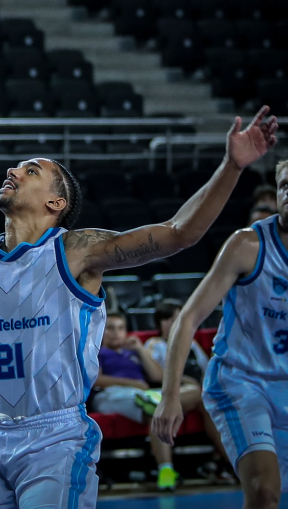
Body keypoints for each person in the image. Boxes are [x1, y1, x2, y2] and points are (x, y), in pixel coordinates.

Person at [0, 107, 277, 508]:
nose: (13, 171)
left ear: (56, 202)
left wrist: (231, 166)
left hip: (52, 439)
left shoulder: (77, 251)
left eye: (31, 171)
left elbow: (179, 233)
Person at [153, 158, 288, 509]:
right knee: (264, 492)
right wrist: (169, 395)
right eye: (284, 186)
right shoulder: (247, 245)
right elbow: (188, 318)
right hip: (243, 380)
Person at [94, 310, 228, 490]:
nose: (116, 333)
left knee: (197, 394)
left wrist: (140, 350)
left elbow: (157, 376)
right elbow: (95, 379)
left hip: (144, 393)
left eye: (120, 328)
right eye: (110, 328)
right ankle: (166, 470)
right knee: (154, 406)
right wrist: (132, 383)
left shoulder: (132, 353)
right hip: (113, 394)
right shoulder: (97, 351)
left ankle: (229, 461)